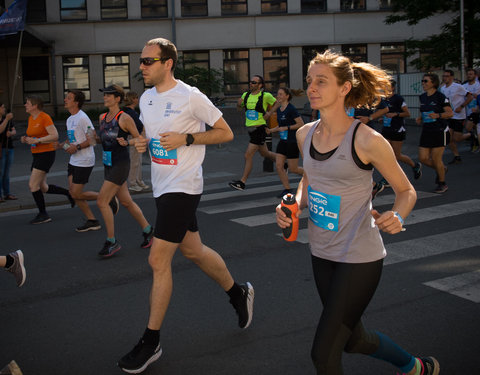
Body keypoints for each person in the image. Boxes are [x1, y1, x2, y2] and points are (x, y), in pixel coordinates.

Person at [276, 50, 439, 375]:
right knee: (352, 338)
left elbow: (406, 191)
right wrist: (290, 205)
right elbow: (309, 183)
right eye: (310, 81)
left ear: (344, 88)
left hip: (359, 257)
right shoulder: (304, 134)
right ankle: (415, 367)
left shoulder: (366, 139)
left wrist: (398, 215)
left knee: (324, 356)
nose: (312, 87)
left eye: (321, 81)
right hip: (321, 253)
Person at [117, 38, 254, 374]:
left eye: (148, 61)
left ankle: (151, 341)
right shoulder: (147, 98)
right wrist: (141, 142)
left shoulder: (191, 96)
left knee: (157, 258)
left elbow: (225, 133)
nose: (142, 67)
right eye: (141, 61)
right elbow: (153, 139)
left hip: (185, 186)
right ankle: (238, 293)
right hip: (162, 187)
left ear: (168, 63)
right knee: (193, 250)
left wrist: (188, 138)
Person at [96, 85, 153, 258]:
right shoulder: (102, 117)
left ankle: (112, 241)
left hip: (120, 164)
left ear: (117, 99)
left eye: (109, 95)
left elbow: (139, 139)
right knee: (127, 202)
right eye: (104, 95)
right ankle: (148, 230)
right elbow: (105, 139)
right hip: (108, 163)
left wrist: (127, 143)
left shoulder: (125, 118)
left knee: (102, 201)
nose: (105, 98)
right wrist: (95, 139)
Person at [61, 90, 117, 232]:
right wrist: (64, 146)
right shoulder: (69, 119)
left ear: (76, 102)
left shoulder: (82, 118)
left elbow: (92, 139)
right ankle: (92, 220)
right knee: (73, 193)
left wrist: (77, 147)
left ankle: (106, 198)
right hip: (74, 160)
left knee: (76, 193)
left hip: (85, 160)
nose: (65, 100)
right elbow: (70, 140)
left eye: (69, 98)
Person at [21, 95, 75, 224]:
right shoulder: (30, 118)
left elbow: (54, 135)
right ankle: (68, 193)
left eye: (27, 103)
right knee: (43, 187)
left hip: (46, 154)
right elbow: (33, 135)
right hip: (36, 154)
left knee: (32, 185)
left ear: (35, 106)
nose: (25, 105)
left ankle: (43, 214)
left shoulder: (44, 117)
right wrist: (25, 139)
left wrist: (37, 140)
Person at [372, 80, 422, 199]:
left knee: (397, 155)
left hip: (397, 129)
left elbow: (407, 113)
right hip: (386, 129)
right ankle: (387, 178)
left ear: (393, 88)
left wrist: (395, 115)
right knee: (385, 154)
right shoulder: (383, 99)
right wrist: (381, 119)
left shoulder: (398, 99)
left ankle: (415, 165)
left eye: (388, 87)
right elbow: (382, 112)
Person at [228, 75, 277, 191]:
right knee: (264, 153)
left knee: (248, 155)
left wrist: (269, 113)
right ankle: (284, 162)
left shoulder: (265, 96)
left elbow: (277, 103)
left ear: (260, 85)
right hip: (250, 129)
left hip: (259, 129)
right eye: (250, 82)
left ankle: (242, 182)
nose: (251, 84)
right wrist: (238, 104)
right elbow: (239, 109)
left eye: (254, 82)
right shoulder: (246, 95)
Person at [417, 73, 454, 194]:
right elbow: (423, 112)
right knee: (423, 158)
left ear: (433, 83)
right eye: (422, 81)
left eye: (426, 81)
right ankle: (442, 169)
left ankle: (442, 183)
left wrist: (438, 115)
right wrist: (420, 118)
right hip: (427, 130)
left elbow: (450, 113)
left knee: (436, 158)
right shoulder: (422, 97)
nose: (423, 83)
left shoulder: (440, 97)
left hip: (439, 130)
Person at [267, 87, 305, 198]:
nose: (278, 96)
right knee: (279, 166)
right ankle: (287, 189)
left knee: (294, 169)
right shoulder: (279, 109)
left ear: (287, 96)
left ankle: (310, 174)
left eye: (280, 94)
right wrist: (271, 130)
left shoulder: (291, 109)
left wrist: (287, 128)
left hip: (292, 142)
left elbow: (301, 124)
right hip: (283, 141)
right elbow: (280, 126)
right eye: (277, 94)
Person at [440, 69, 472, 164]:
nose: (445, 78)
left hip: (459, 116)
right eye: (443, 76)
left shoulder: (458, 87)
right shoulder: (443, 88)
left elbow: (470, 96)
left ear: (451, 77)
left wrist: (461, 106)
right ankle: (456, 156)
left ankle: (471, 135)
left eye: (447, 76)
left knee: (457, 138)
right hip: (449, 116)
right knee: (449, 138)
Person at [123, 91, 150, 193]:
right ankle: (133, 183)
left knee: (138, 161)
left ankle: (138, 181)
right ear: (133, 99)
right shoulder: (130, 112)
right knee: (134, 161)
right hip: (134, 137)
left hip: (137, 137)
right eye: (136, 98)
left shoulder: (130, 111)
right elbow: (138, 125)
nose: (137, 99)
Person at [0, 102, 16, 201]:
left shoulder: (8, 119)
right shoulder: (6, 119)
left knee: (6, 172)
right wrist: (6, 119)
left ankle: (7, 193)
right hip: (0, 149)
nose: (4, 108)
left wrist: (11, 133)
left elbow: (14, 130)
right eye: (2, 107)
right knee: (0, 172)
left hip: (9, 147)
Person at [463, 68, 480, 151]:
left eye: (471, 74)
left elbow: (477, 96)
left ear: (475, 75)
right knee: (470, 128)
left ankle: (475, 143)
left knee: (473, 127)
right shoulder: (464, 86)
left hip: (476, 110)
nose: (469, 76)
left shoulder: (478, 85)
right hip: (468, 110)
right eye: (468, 74)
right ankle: (474, 141)